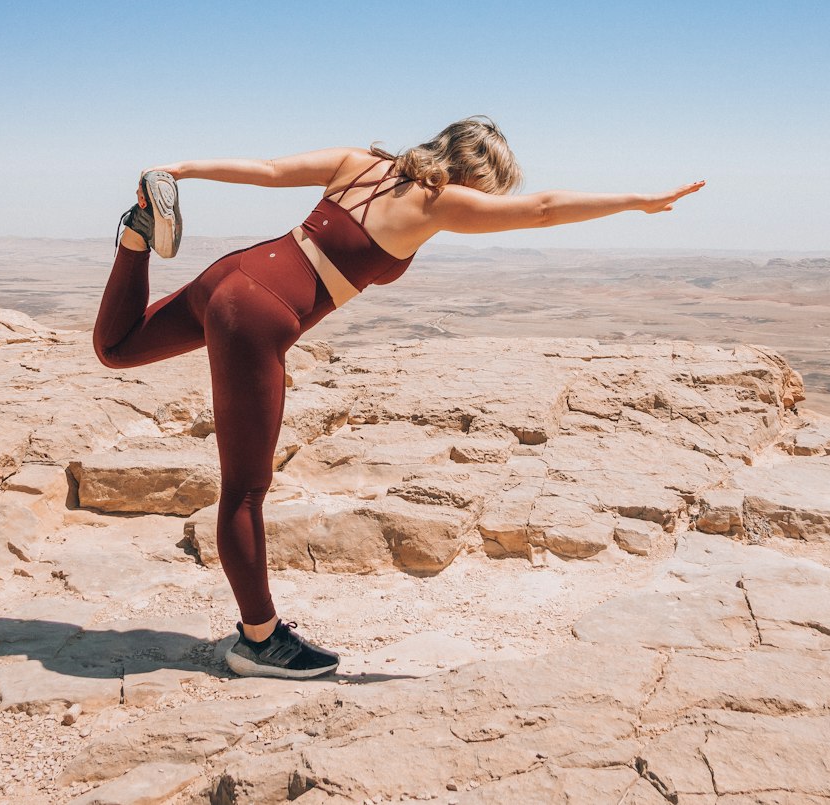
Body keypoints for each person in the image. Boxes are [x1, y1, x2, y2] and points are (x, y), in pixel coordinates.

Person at [93, 116, 704, 679]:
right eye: (491, 189)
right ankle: (259, 640)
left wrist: (181, 171)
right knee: (245, 492)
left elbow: (270, 172)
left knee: (117, 347)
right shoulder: (440, 202)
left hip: (235, 272)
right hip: (258, 315)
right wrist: (638, 201)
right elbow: (542, 210)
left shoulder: (358, 162)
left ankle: (136, 239)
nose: (488, 203)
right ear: (478, 175)